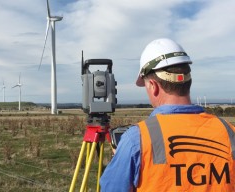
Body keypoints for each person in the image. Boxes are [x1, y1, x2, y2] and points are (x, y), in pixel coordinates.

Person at [100, 38, 235, 191]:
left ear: (153, 86)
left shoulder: (136, 139)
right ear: (188, 81)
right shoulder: (230, 132)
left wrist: (124, 158)